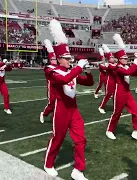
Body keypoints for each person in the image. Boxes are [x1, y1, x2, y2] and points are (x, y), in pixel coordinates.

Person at [43, 19, 93, 180]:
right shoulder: (51, 70)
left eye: (69, 57)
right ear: (59, 59)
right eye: (66, 57)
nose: (69, 60)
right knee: (58, 138)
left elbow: (89, 82)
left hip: (74, 108)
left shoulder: (71, 70)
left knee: (81, 139)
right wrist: (78, 67)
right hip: (61, 108)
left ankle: (78, 169)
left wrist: (88, 71)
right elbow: (63, 80)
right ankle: (48, 163)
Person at [106, 33, 137, 143]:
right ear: (119, 59)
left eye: (126, 57)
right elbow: (127, 72)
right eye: (124, 58)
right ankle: (109, 130)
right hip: (119, 92)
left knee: (136, 111)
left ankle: (136, 132)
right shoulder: (118, 67)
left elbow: (133, 73)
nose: (126, 59)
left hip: (127, 92)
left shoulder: (126, 66)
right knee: (117, 113)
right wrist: (136, 62)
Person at [40, 39, 58, 123]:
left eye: (55, 58)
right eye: (54, 59)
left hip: (58, 87)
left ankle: (55, 117)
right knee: (51, 103)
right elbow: (53, 73)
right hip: (51, 88)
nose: (55, 60)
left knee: (59, 104)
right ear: (50, 60)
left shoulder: (58, 67)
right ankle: (43, 114)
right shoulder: (48, 68)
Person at [98, 44, 117, 114]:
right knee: (108, 95)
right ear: (109, 59)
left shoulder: (114, 64)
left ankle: (115, 109)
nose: (113, 58)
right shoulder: (110, 65)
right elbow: (114, 67)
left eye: (113, 57)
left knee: (115, 95)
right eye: (111, 57)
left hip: (115, 81)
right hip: (110, 81)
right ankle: (101, 107)